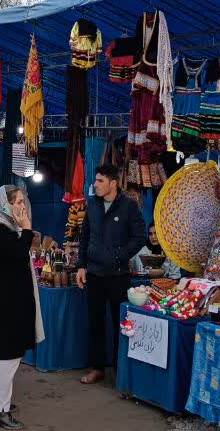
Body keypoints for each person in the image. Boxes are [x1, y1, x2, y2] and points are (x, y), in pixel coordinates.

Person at [75, 165, 147, 385]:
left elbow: (139, 236)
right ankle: (96, 368)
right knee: (95, 323)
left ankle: (120, 369)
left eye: (99, 181)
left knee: (121, 323)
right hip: (94, 274)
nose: (95, 185)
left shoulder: (128, 207)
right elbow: (85, 236)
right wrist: (81, 266)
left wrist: (119, 255)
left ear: (113, 183)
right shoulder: (92, 205)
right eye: (95, 181)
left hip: (118, 275)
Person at [0, 185, 44, 429]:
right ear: (3, 206)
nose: (22, 206)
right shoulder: (0, 233)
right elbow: (19, 255)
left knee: (7, 357)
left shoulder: (5, 231)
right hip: (8, 304)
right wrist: (28, 230)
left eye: (22, 201)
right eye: (17, 202)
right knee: (9, 358)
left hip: (9, 302)